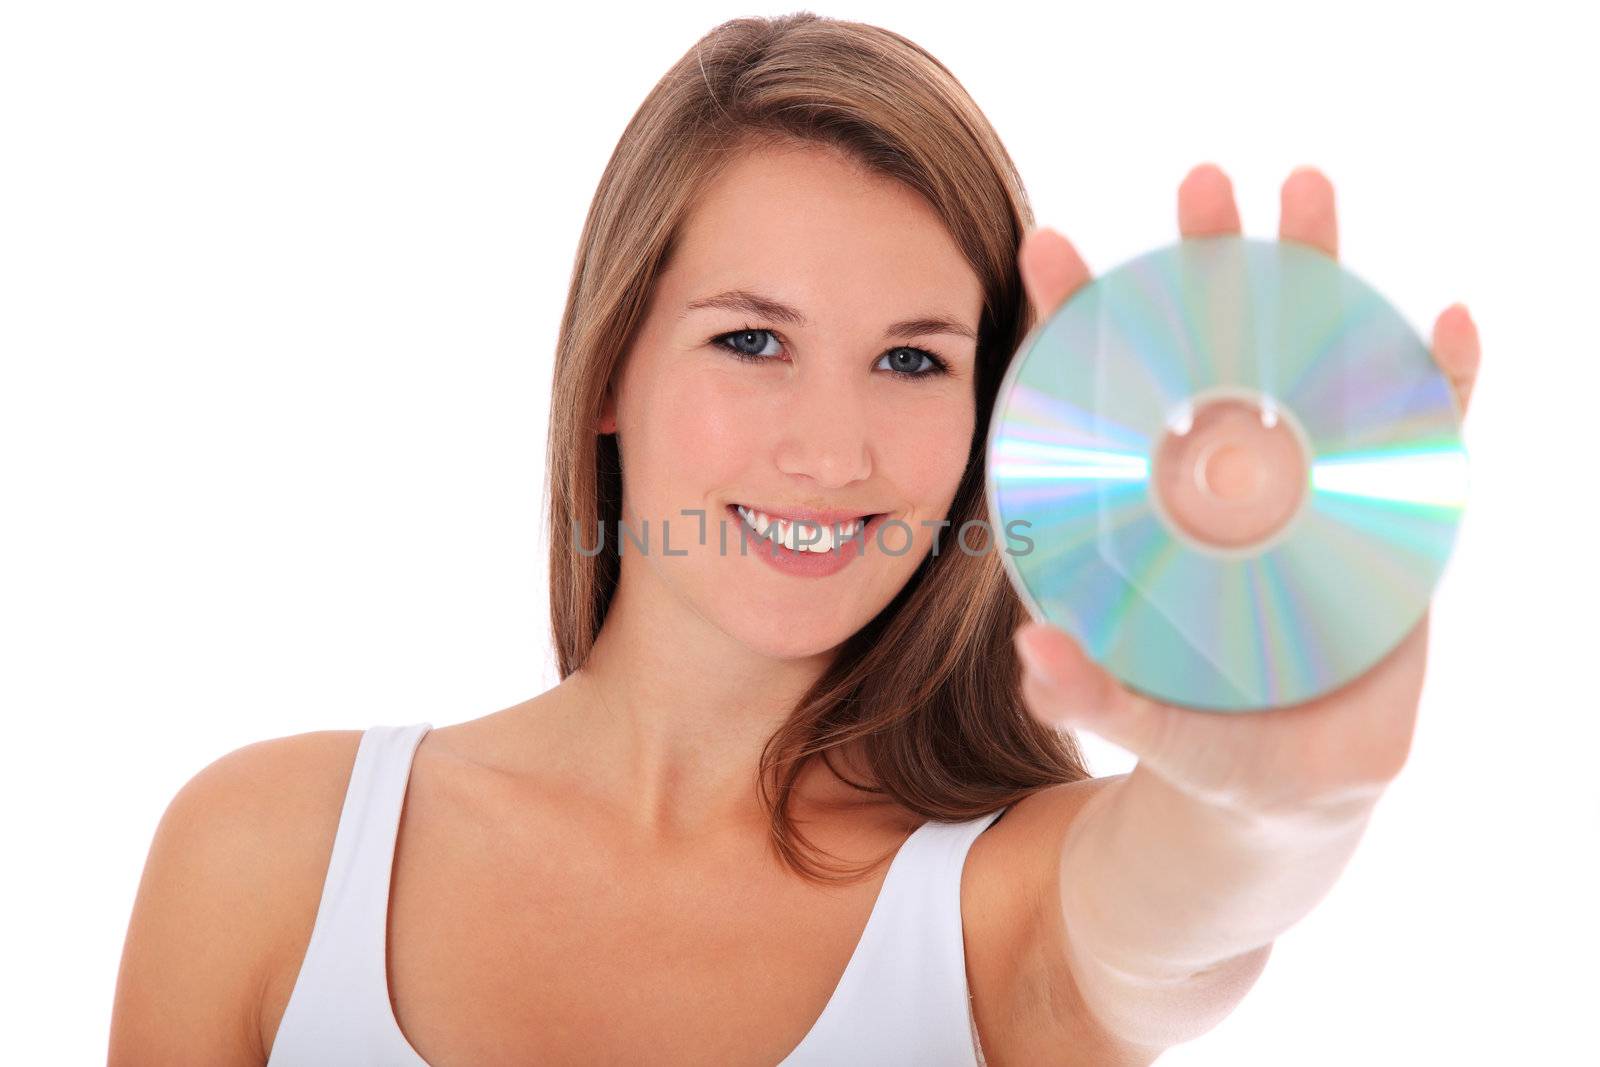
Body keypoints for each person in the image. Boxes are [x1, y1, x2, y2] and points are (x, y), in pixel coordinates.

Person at [107, 12, 1483, 1066]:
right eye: (752, 340)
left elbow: (1193, 907)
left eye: (912, 362)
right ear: (605, 370)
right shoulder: (270, 854)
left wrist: (1288, 802)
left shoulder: (1001, 909)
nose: (831, 454)